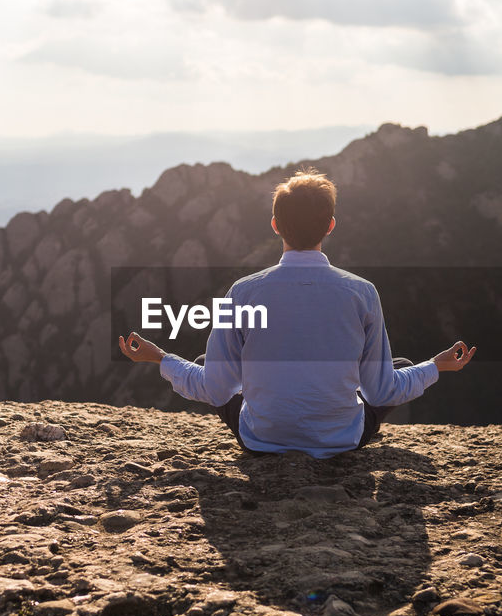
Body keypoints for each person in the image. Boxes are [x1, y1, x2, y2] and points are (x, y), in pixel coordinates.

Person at [118, 169, 475, 458]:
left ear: (275, 225)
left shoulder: (243, 292)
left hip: (260, 441)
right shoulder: (362, 293)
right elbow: (381, 393)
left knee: (205, 361)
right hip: (342, 442)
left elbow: (215, 389)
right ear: (331, 225)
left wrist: (161, 359)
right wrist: (436, 366)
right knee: (398, 366)